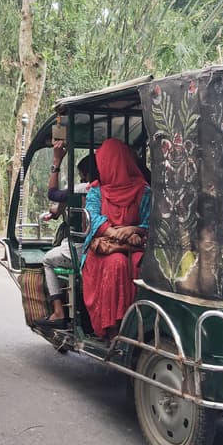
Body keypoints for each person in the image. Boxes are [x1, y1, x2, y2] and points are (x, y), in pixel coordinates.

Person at [81, 138, 151, 339]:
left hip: (135, 246)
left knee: (143, 264)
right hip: (105, 249)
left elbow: (150, 222)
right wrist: (114, 232)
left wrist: (133, 229)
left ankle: (141, 324)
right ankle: (115, 329)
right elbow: (93, 218)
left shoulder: (144, 191)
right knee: (117, 264)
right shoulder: (97, 191)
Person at [36, 141, 97, 328]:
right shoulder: (105, 187)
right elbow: (61, 204)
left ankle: (58, 311)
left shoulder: (84, 188)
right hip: (93, 246)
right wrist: (55, 212)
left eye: (81, 176)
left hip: (81, 249)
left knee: (47, 260)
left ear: (86, 175)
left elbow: (54, 193)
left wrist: (57, 159)